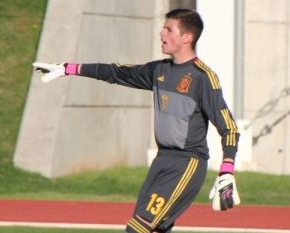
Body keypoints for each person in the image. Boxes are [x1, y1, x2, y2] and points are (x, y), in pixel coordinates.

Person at [33, 8, 240, 233]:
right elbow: (115, 72)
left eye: (168, 29)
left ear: (187, 38)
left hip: (186, 164)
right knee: (152, 229)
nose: (161, 34)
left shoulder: (203, 78)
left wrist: (226, 171)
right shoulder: (159, 70)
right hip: (161, 162)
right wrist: (68, 68)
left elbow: (228, 127)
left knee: (138, 228)